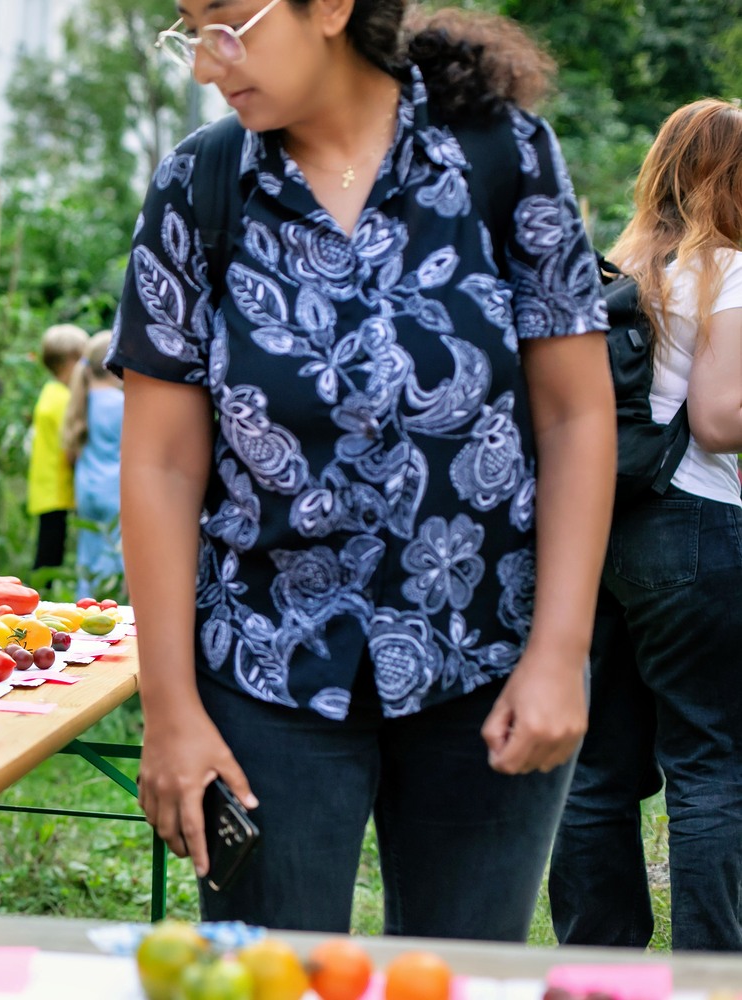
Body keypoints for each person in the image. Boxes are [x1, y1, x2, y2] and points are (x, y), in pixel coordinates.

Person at [111, 1, 616, 941]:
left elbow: (575, 414)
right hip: (263, 669)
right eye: (189, 30)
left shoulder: (502, 156)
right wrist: (169, 708)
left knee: (458, 976)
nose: (206, 64)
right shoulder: (200, 185)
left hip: (489, 657)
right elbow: (162, 463)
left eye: (227, 24)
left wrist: (558, 654)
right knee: (275, 979)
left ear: (333, 8)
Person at [549, 99, 742, 953]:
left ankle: (601, 973)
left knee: (596, 770)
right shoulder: (727, 267)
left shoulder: (619, 265)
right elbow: (720, 420)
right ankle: (712, 976)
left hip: (596, 529)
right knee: (711, 763)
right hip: (694, 527)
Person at [63, 331, 126, 598]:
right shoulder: (122, 404)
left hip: (86, 490)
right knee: (116, 553)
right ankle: (113, 603)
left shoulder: (81, 400)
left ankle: (84, 602)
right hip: (114, 491)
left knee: (87, 553)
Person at [27, 324, 89, 574]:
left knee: (49, 546)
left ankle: (39, 590)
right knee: (49, 554)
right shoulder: (63, 399)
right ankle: (37, 593)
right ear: (69, 362)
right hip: (56, 487)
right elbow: (69, 444)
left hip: (46, 485)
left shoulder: (51, 392)